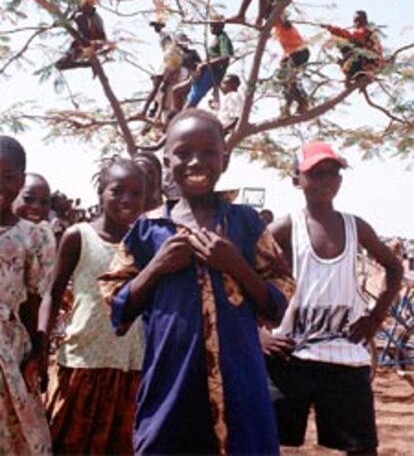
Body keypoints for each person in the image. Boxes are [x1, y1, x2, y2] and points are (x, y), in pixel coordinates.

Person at [99, 109, 295, 456]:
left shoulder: (245, 222)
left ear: (225, 158)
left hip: (241, 384)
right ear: (167, 158)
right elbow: (115, 299)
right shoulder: (148, 229)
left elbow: (278, 297)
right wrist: (156, 268)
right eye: (184, 152)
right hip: (170, 384)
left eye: (208, 152)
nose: (196, 161)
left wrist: (235, 264)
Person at [262, 140, 403, 456]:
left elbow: (393, 268)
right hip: (288, 358)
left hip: (344, 357)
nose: (325, 180)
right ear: (296, 178)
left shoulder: (356, 227)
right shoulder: (285, 227)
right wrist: (259, 335)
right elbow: (239, 276)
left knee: (362, 447)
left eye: (332, 173)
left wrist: (375, 317)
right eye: (315, 173)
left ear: (340, 180)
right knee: (267, 443)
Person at [39, 157, 147, 456]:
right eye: (117, 190)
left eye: (136, 193)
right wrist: (42, 340)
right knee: (70, 442)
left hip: (130, 364)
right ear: (101, 191)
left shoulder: (147, 242)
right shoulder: (79, 236)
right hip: (82, 362)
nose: (127, 199)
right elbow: (53, 292)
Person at [0, 135, 55, 455]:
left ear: (20, 180)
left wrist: (38, 352)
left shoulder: (34, 235)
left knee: (20, 431)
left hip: (10, 347)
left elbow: (38, 298)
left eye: (8, 178)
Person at [323, 10, 384, 85]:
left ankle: (352, 74)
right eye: (355, 21)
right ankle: (354, 74)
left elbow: (350, 37)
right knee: (348, 47)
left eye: (358, 20)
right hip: (369, 65)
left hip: (368, 63)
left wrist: (332, 29)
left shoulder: (365, 30)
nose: (356, 23)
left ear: (364, 20)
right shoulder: (368, 32)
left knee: (345, 44)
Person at [184, 19, 234, 108]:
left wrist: (205, 64)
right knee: (189, 96)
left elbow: (225, 57)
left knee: (193, 99)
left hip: (211, 73)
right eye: (211, 25)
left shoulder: (223, 38)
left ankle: (183, 117)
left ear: (222, 26)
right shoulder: (217, 38)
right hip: (206, 72)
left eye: (215, 25)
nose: (212, 28)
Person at [271, 10, 310, 115]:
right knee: (285, 80)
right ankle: (289, 107)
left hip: (299, 53)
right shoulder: (277, 27)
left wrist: (277, 9)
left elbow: (281, 16)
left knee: (288, 80)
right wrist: (284, 58)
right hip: (294, 54)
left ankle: (302, 103)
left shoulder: (282, 23)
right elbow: (288, 45)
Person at [55, 0, 108, 71]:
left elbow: (101, 37)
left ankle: (89, 61)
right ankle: (88, 63)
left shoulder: (94, 17)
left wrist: (91, 43)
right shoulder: (80, 15)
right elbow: (68, 20)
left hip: (92, 43)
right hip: (83, 44)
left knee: (62, 63)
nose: (80, 7)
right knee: (59, 65)